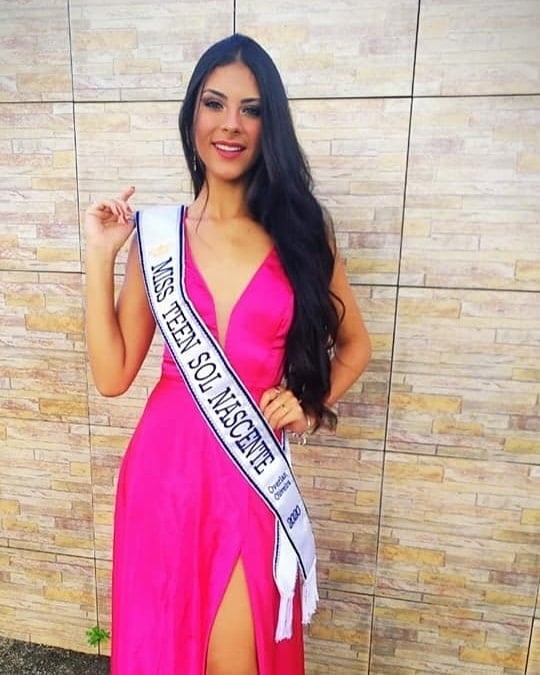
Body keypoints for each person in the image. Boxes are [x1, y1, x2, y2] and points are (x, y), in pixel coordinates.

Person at [85, 33, 371, 675]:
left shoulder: (303, 232)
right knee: (163, 652)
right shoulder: (158, 236)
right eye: (214, 104)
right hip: (163, 478)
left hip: (249, 477)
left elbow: (356, 346)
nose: (231, 124)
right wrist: (100, 256)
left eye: (251, 109)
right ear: (192, 117)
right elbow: (112, 374)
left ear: (271, 124)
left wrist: (310, 403)